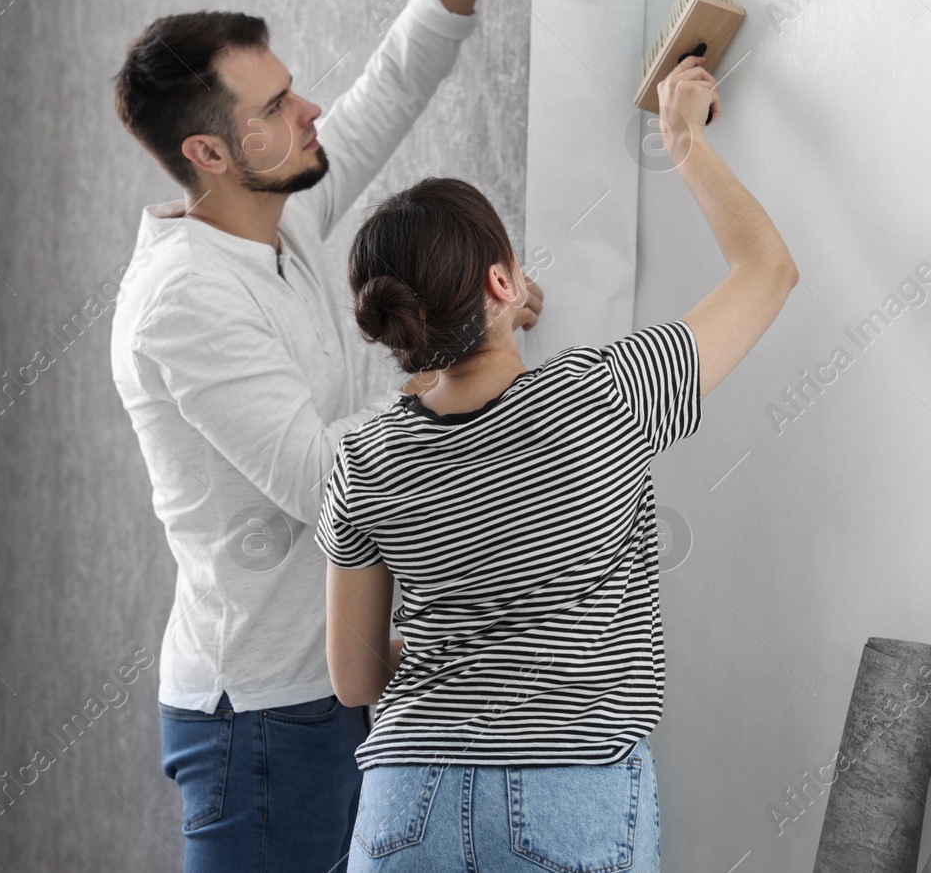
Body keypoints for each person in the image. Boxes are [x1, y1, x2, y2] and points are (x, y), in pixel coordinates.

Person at [107, 0, 550, 873]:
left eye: (291, 88)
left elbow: (398, 76)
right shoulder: (182, 302)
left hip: (338, 676)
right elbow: (326, 480)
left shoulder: (278, 223)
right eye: (273, 109)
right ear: (209, 155)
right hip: (259, 714)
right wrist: (467, 357)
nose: (307, 112)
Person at [315, 56, 799, 871]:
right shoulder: (606, 392)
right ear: (503, 281)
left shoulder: (362, 457)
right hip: (565, 799)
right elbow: (767, 271)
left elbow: (355, 678)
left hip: (406, 804)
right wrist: (684, 141)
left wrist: (464, 646)